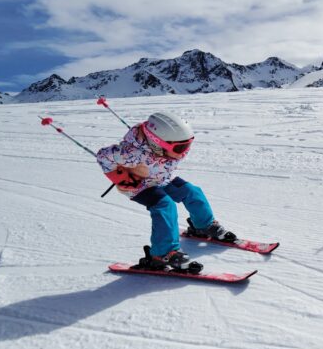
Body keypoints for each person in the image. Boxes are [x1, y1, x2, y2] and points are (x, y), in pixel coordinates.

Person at [96, 112, 237, 273]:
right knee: (165, 205)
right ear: (157, 143)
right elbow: (103, 156)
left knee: (192, 191)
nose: (184, 152)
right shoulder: (131, 154)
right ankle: (162, 254)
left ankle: (203, 226)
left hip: (162, 179)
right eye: (180, 147)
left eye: (188, 145)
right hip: (140, 186)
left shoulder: (168, 148)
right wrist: (118, 177)